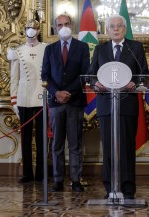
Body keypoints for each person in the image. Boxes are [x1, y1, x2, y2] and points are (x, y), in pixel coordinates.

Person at [88, 14, 149, 199]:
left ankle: (128, 189)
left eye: (119, 26)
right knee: (108, 149)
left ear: (125, 29)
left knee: (127, 148)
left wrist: (134, 82)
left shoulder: (135, 48)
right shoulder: (100, 49)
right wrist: (95, 84)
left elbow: (143, 74)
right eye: (112, 26)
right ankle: (111, 189)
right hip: (107, 106)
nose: (115, 29)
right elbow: (91, 76)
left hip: (127, 105)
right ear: (107, 30)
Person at [41, 14, 90, 192]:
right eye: (60, 24)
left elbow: (85, 74)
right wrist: (57, 93)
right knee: (57, 144)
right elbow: (45, 75)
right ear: (55, 27)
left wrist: (68, 93)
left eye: (67, 23)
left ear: (73, 25)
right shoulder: (50, 49)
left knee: (75, 143)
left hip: (75, 101)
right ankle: (58, 180)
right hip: (55, 103)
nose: (64, 27)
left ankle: (76, 180)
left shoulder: (82, 47)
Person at [7, 19, 47, 183]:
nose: (31, 30)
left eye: (34, 28)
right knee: (25, 138)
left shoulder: (46, 49)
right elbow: (13, 78)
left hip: (42, 98)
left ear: (38, 31)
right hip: (24, 98)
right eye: (29, 27)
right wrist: (14, 100)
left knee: (41, 138)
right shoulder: (18, 51)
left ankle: (41, 173)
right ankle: (27, 173)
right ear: (25, 30)